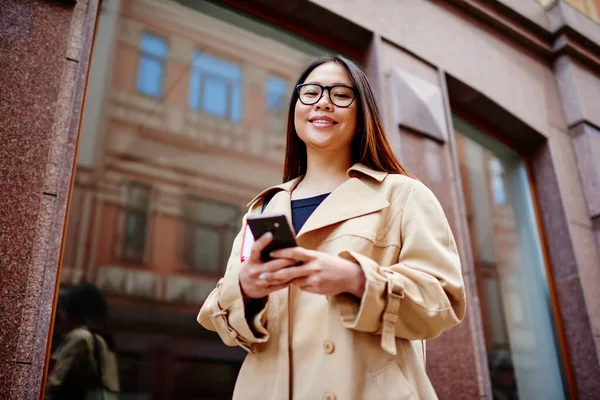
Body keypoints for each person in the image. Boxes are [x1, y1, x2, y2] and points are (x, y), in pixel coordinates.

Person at [198, 55, 466, 400]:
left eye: (340, 94)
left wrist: (354, 279)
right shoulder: (265, 208)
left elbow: (443, 301)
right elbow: (226, 324)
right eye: (310, 92)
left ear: (361, 115)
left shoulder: (403, 194)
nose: (322, 101)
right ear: (296, 108)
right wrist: (247, 289)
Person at [45, 282, 120, 400]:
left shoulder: (80, 338)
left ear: (73, 313)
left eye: (62, 312)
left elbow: (52, 385)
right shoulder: (103, 341)